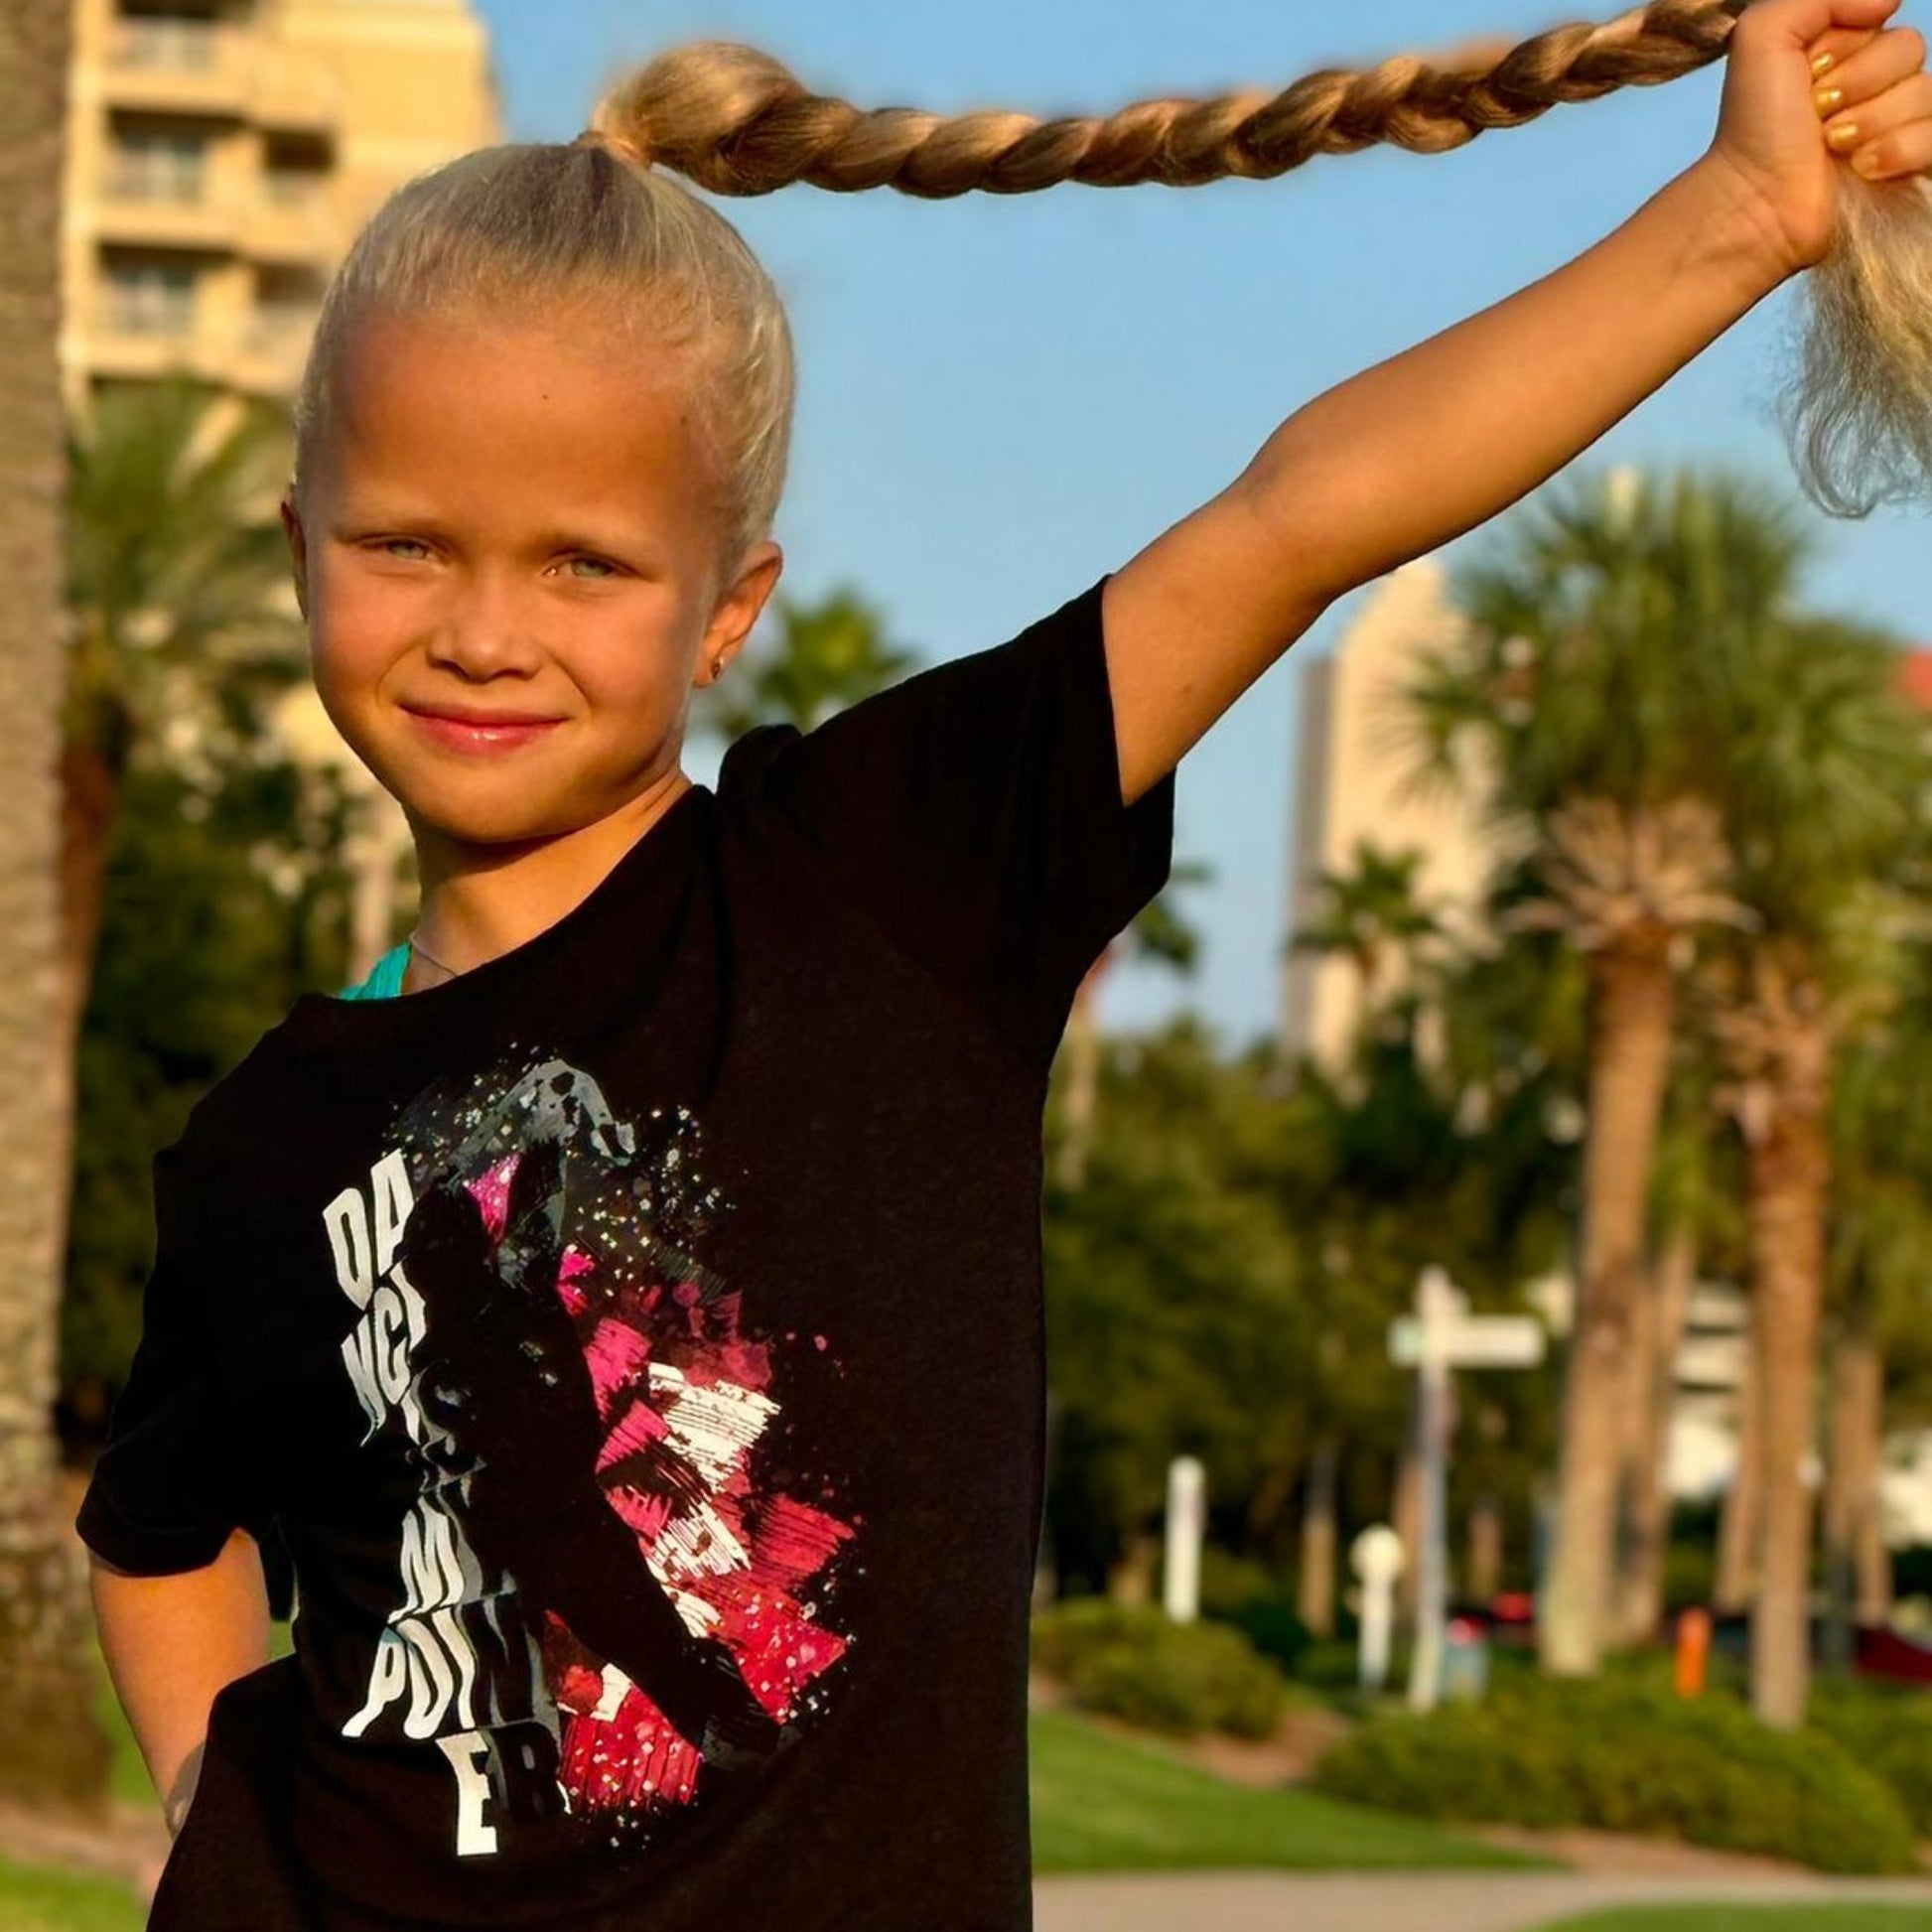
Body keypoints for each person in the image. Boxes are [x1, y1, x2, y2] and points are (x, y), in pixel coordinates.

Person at [74, 1, 1932, 1926]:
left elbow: (1292, 523)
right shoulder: (265, 1141)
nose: (481, 629)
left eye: (582, 563)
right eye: (405, 543)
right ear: (302, 551)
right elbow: (155, 1533)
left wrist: (1737, 211)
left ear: (730, 607)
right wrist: (235, 1831)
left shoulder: (884, 882)